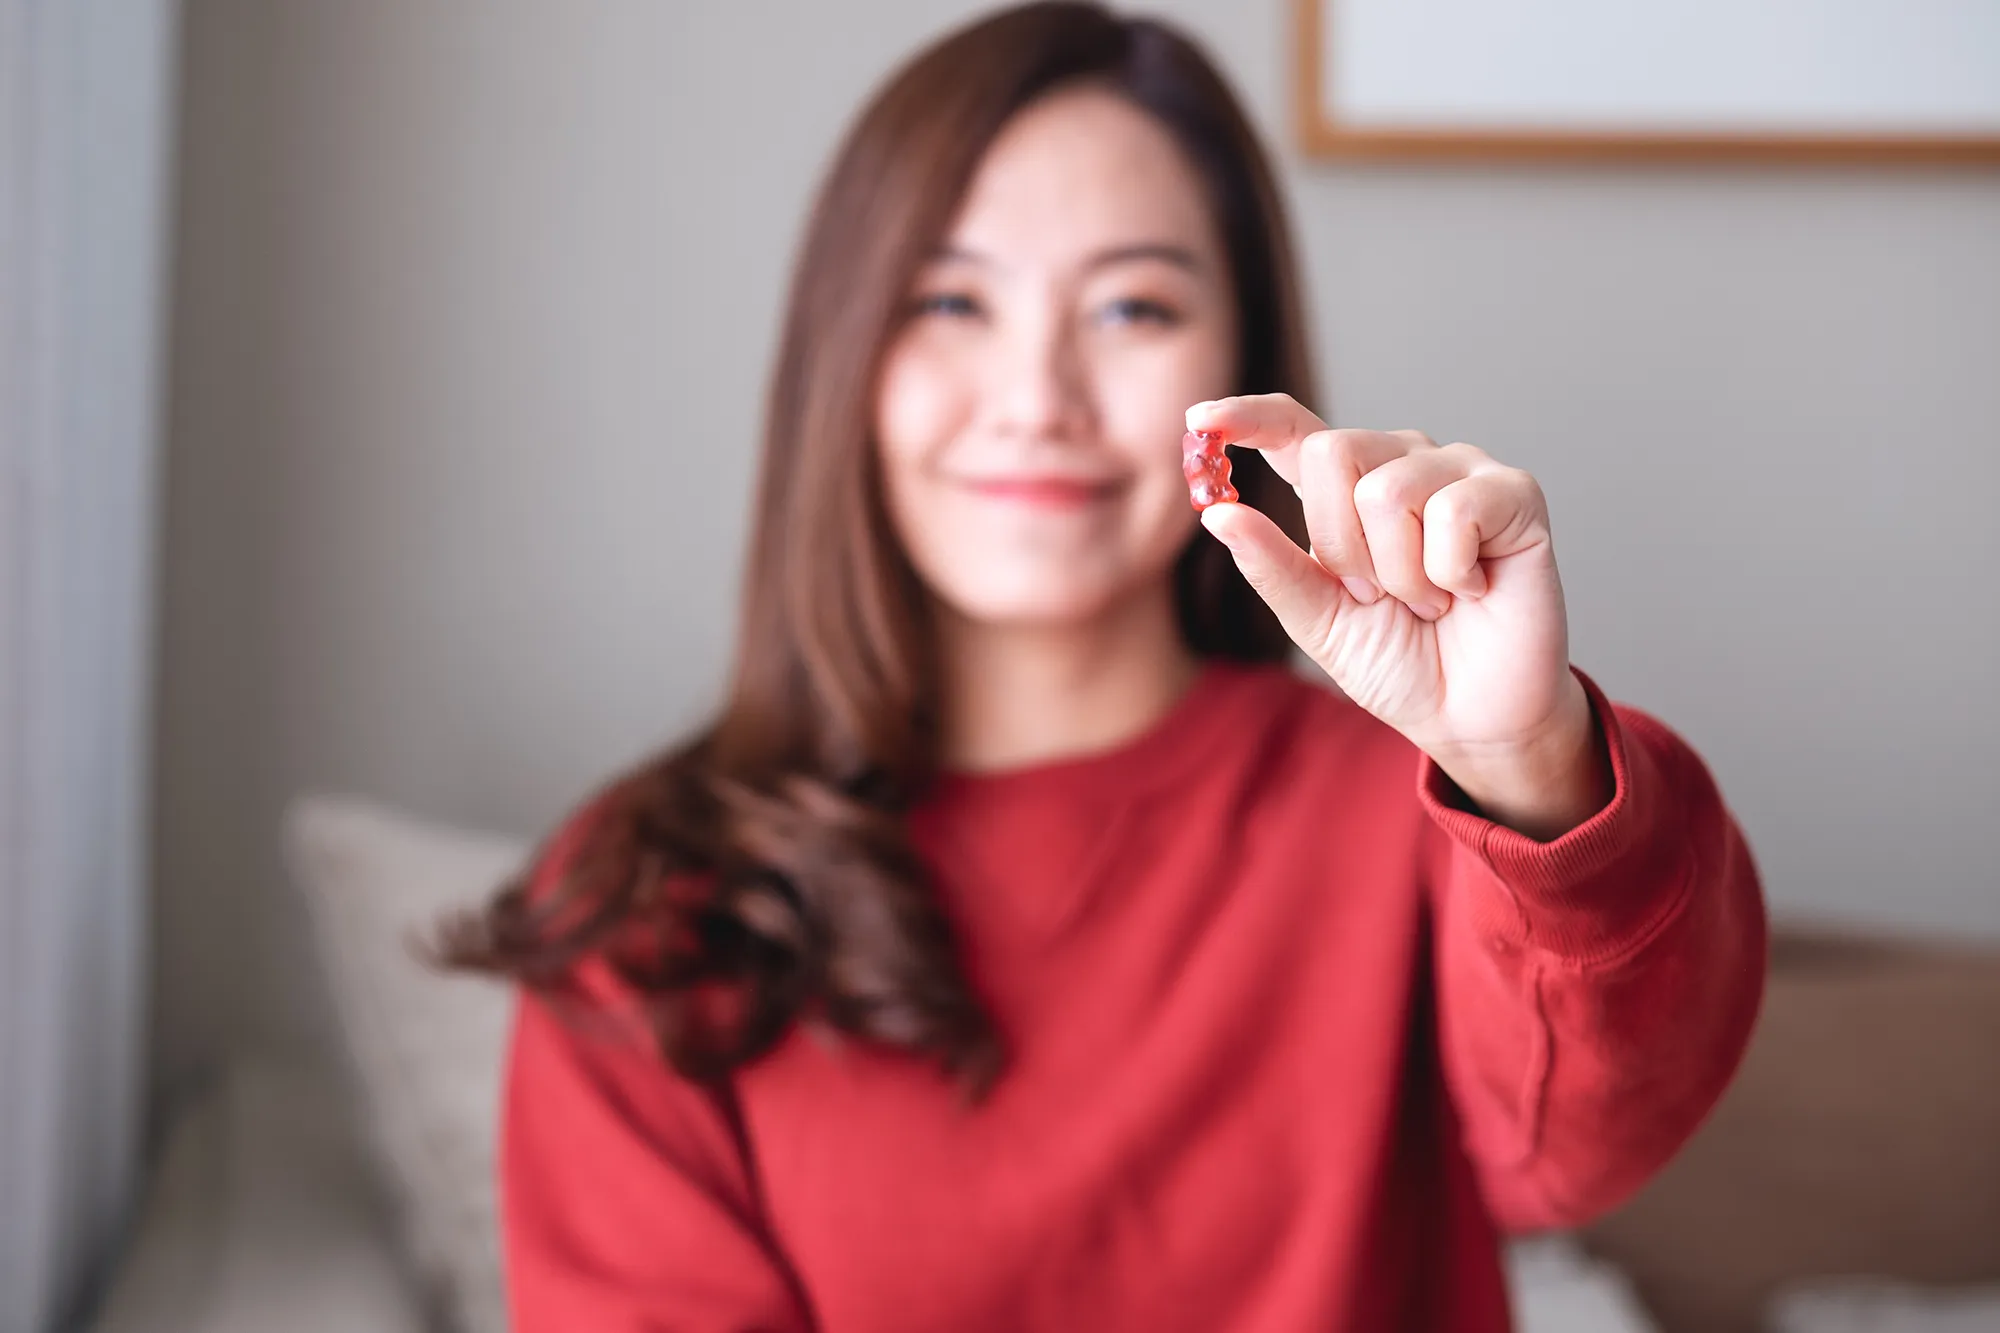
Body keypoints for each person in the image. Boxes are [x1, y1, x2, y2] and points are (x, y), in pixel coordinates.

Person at [442, 4, 1766, 1329]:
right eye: (952, 300)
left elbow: (1582, 1144)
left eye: (1135, 306)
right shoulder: (645, 900)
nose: (1039, 395)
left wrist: (1522, 763)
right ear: (844, 357)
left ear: (1238, 373)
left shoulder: (1424, 819)